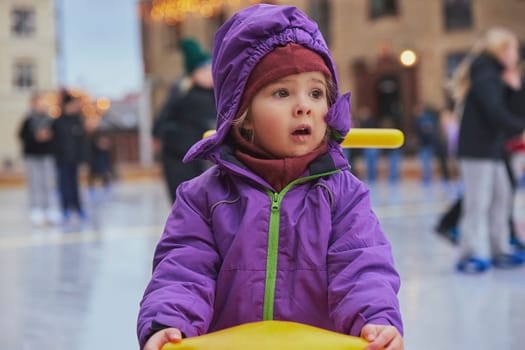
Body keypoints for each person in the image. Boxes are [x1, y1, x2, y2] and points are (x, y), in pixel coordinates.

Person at [137, 5, 403, 350]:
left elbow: (362, 264)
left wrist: (375, 319)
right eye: (282, 93)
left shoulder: (342, 194)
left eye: (316, 93)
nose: (304, 106)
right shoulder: (204, 196)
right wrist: (169, 321)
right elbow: (184, 268)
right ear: (242, 114)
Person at [451, 27, 525, 272]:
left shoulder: (499, 74)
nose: (517, 54)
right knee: (478, 202)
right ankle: (471, 252)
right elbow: (494, 111)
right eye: (514, 49)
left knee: (501, 197)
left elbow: (514, 109)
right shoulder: (484, 71)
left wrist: (515, 88)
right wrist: (519, 127)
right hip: (476, 148)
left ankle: (498, 248)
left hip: (493, 148)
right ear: (502, 50)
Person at [152, 38, 216, 203]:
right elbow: (162, 119)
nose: (210, 75)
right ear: (194, 73)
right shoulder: (183, 93)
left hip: (201, 156)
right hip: (179, 155)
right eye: (205, 70)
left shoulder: (215, 95)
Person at [18, 92, 61, 225]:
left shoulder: (50, 120)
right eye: (38, 104)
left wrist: (48, 137)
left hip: (47, 155)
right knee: (35, 183)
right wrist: (36, 137)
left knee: (48, 183)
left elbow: (58, 138)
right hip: (32, 155)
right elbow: (22, 136)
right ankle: (36, 210)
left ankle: (49, 209)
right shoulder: (28, 120)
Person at [52, 90, 87, 223]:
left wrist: (83, 158)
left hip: (74, 159)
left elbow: (82, 141)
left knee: (75, 184)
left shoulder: (77, 120)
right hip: (61, 159)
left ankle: (78, 208)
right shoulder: (58, 122)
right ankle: (65, 208)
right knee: (63, 185)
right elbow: (54, 142)